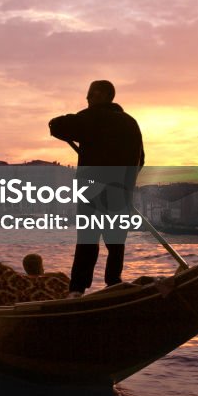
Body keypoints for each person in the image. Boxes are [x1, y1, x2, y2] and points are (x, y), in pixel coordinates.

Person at [48, 80, 144, 297]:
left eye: (90, 94)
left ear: (100, 95)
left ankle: (77, 289)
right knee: (116, 242)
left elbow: (58, 126)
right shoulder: (131, 123)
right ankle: (113, 282)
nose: (87, 98)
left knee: (88, 241)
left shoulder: (92, 117)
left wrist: (53, 122)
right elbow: (141, 160)